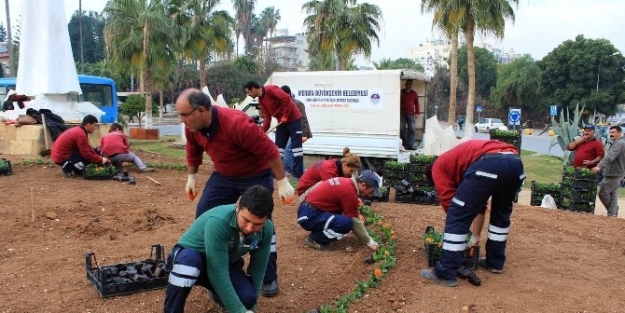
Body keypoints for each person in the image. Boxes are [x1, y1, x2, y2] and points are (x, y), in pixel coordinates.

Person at [177, 88, 294, 297]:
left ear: (202, 110)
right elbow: (193, 150)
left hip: (255, 174)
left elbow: (270, 151)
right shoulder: (192, 128)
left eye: (185, 114)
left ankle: (268, 276)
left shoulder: (236, 123)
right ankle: (225, 268)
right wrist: (191, 178)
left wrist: (282, 182)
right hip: (224, 175)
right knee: (205, 216)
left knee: (261, 224)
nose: (182, 119)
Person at [421, 140, 525, 287]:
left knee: (457, 213)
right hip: (515, 163)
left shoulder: (438, 167)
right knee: (501, 213)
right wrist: (474, 237)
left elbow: (449, 204)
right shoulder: (460, 162)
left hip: (489, 163)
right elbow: (479, 204)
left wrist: (461, 236)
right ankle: (495, 262)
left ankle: (445, 271)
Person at [163, 185, 274, 313]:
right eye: (246, 220)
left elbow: (258, 270)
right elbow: (217, 271)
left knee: (247, 299)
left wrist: (251, 308)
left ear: (267, 219)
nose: (249, 228)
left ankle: (217, 292)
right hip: (191, 258)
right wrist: (239, 311)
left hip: (223, 261)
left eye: (258, 224)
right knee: (189, 264)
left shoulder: (267, 229)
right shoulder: (218, 222)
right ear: (238, 207)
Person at [297, 170, 382, 251]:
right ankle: (315, 239)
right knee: (346, 223)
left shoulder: (347, 183)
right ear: (363, 185)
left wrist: (355, 212)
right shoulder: (349, 192)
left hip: (308, 210)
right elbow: (355, 221)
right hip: (309, 216)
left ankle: (319, 232)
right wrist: (370, 242)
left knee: (344, 218)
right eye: (372, 191)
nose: (371, 194)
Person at [243, 81, 304, 178]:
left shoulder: (270, 89)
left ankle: (298, 174)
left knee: (297, 149)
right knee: (278, 149)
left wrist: (286, 115)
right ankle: (277, 173)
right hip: (282, 122)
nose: (248, 95)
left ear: (253, 89)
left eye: (248, 92)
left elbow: (286, 98)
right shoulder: (261, 100)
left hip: (293, 120)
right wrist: (261, 133)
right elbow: (267, 118)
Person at [295, 147, 361, 200]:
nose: (351, 174)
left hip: (312, 191)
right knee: (332, 186)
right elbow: (332, 192)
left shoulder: (340, 168)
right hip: (304, 194)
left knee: (340, 185)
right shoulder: (329, 169)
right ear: (344, 165)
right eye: (351, 171)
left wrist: (355, 198)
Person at [591, 125, 625, 217]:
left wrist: (599, 166)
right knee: (613, 194)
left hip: (614, 174)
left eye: (613, 132)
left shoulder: (619, 144)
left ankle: (612, 211)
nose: (611, 134)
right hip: (616, 172)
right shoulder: (618, 142)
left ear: (619, 133)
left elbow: (609, 156)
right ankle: (612, 213)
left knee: (603, 193)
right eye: (610, 132)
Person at [280, 85, 312, 179]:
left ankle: (293, 173)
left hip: (298, 132)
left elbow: (303, 119)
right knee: (295, 153)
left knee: (288, 151)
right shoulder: (283, 105)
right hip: (288, 132)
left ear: (288, 94)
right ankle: (302, 173)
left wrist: (304, 134)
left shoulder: (298, 103)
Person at [400, 79, 420, 150]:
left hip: (411, 114)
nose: (409, 86)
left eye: (411, 84)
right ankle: (404, 144)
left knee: (412, 129)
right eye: (408, 84)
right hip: (402, 114)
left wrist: (417, 112)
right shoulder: (401, 92)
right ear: (405, 84)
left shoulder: (414, 93)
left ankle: (410, 145)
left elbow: (417, 103)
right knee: (402, 129)